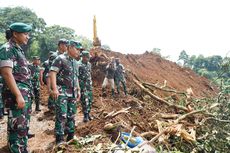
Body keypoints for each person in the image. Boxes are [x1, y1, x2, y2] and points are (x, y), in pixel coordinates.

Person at [0, 22, 32, 153]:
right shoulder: (7, 48)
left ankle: (22, 149)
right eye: (25, 34)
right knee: (17, 129)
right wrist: (18, 95)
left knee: (22, 128)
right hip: (16, 95)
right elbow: (6, 73)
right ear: (15, 34)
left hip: (23, 94)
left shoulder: (17, 49)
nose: (27, 37)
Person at [49, 40, 81, 145]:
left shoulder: (75, 62)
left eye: (80, 50)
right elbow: (52, 73)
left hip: (73, 92)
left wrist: (78, 89)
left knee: (71, 115)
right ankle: (59, 138)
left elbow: (76, 77)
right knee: (61, 115)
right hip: (62, 91)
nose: (79, 52)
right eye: (77, 49)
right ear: (70, 47)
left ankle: (71, 136)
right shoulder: (60, 59)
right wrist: (54, 89)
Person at [48, 39, 68, 112]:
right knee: (55, 97)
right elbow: (51, 71)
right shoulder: (54, 56)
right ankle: (53, 110)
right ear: (61, 45)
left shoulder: (65, 56)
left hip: (62, 81)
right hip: (56, 81)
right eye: (66, 45)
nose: (67, 47)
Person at [78, 51, 93, 122]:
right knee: (84, 101)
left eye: (88, 57)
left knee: (90, 100)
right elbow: (76, 76)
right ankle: (85, 116)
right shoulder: (78, 65)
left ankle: (88, 114)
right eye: (87, 57)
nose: (88, 58)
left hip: (89, 86)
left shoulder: (89, 64)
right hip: (82, 86)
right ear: (83, 57)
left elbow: (89, 74)